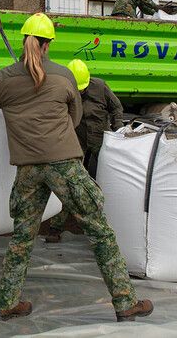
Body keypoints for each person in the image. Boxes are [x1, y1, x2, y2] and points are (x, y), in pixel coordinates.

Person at [0, 13, 153, 323]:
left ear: (24, 41)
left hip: (28, 170)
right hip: (65, 165)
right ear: (48, 44)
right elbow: (74, 118)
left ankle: (6, 303)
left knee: (22, 237)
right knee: (99, 232)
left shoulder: (3, 80)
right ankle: (125, 302)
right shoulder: (64, 77)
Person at [46, 59, 124, 243]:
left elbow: (116, 107)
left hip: (100, 141)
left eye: (82, 88)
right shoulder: (63, 89)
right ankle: (55, 228)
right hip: (77, 142)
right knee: (71, 184)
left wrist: (118, 127)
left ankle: (114, 224)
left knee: (110, 180)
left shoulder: (100, 86)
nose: (80, 91)